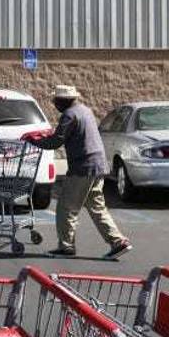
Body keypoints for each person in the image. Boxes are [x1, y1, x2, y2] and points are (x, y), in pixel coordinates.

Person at [25, 85, 132, 259]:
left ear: (63, 101)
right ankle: (118, 241)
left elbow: (55, 142)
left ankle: (66, 247)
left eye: (55, 101)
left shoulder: (69, 115)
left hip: (83, 167)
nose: (54, 104)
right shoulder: (85, 110)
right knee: (96, 207)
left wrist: (33, 140)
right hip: (98, 165)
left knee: (66, 208)